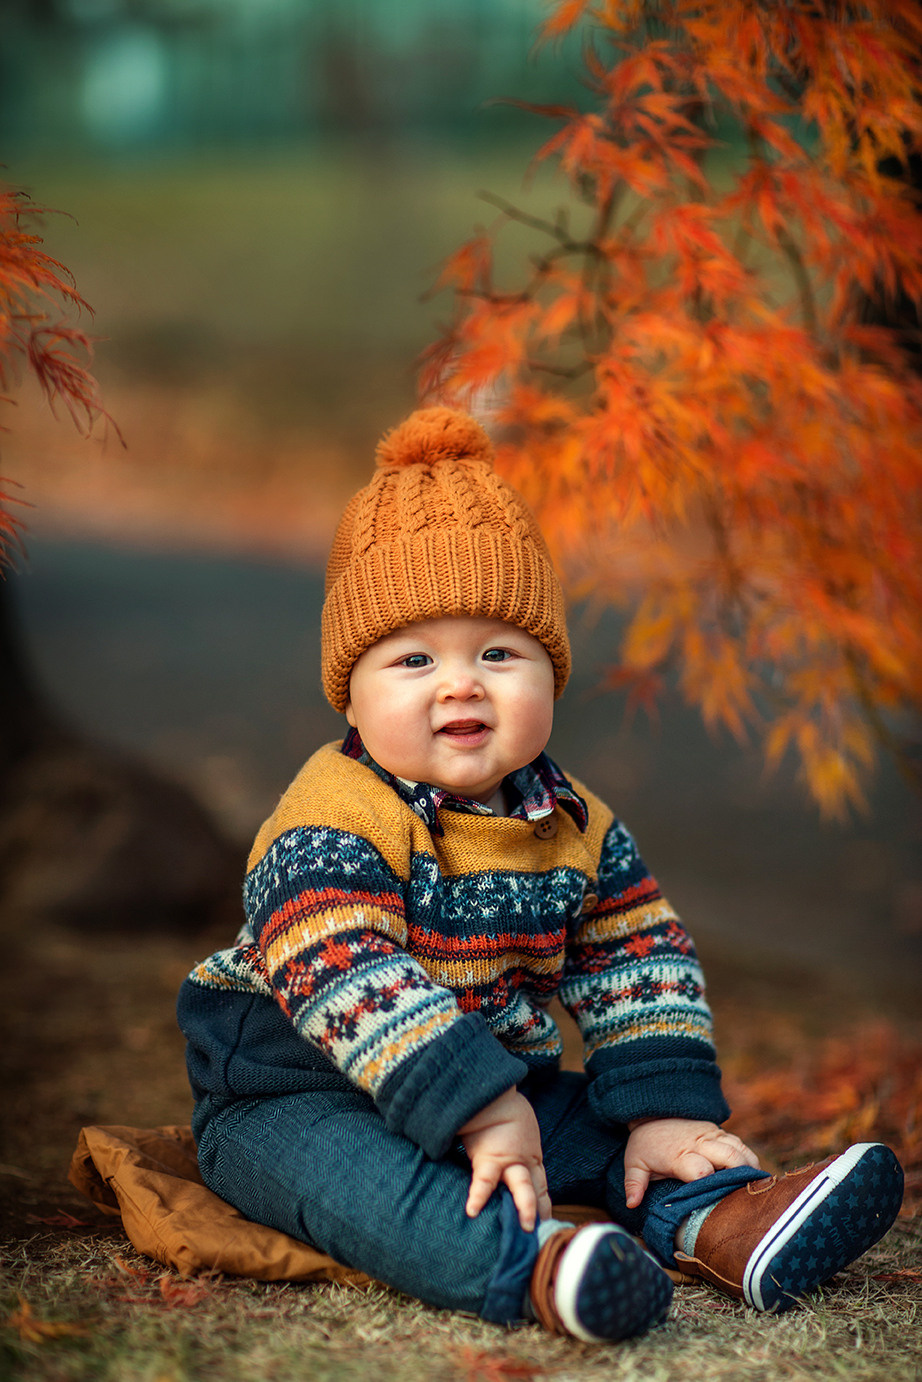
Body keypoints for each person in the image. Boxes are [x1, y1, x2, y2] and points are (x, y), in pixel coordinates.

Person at [177, 406, 903, 1343]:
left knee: (609, 1137)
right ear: (348, 690)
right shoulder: (332, 817)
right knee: (370, 1191)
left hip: (495, 1085)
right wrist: (481, 1105)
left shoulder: (574, 822)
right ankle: (541, 1269)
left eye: (499, 653)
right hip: (297, 1092)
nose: (461, 683)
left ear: (550, 676)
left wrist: (663, 1110)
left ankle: (725, 1218)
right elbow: (342, 968)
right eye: (413, 658)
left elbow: (637, 956)